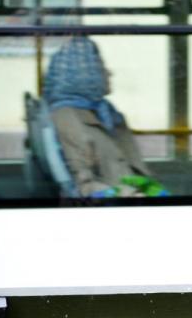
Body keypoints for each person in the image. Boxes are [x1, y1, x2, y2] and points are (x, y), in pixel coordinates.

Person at [43, 35, 165, 198]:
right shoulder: (67, 118)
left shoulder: (106, 112)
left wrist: (150, 189)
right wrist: (130, 196)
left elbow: (130, 167)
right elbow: (82, 184)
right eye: (101, 67)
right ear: (84, 75)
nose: (109, 73)